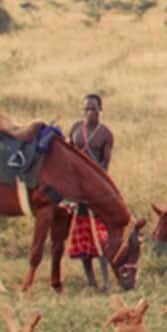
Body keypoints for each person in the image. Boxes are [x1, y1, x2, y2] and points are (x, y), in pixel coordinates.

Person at [67, 93, 115, 288]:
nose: (89, 113)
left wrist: (93, 186)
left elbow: (105, 165)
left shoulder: (106, 134)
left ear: (100, 111)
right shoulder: (76, 129)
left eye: (93, 109)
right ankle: (91, 282)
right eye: (86, 109)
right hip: (78, 192)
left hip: (96, 191)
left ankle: (106, 281)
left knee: (100, 237)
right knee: (83, 238)